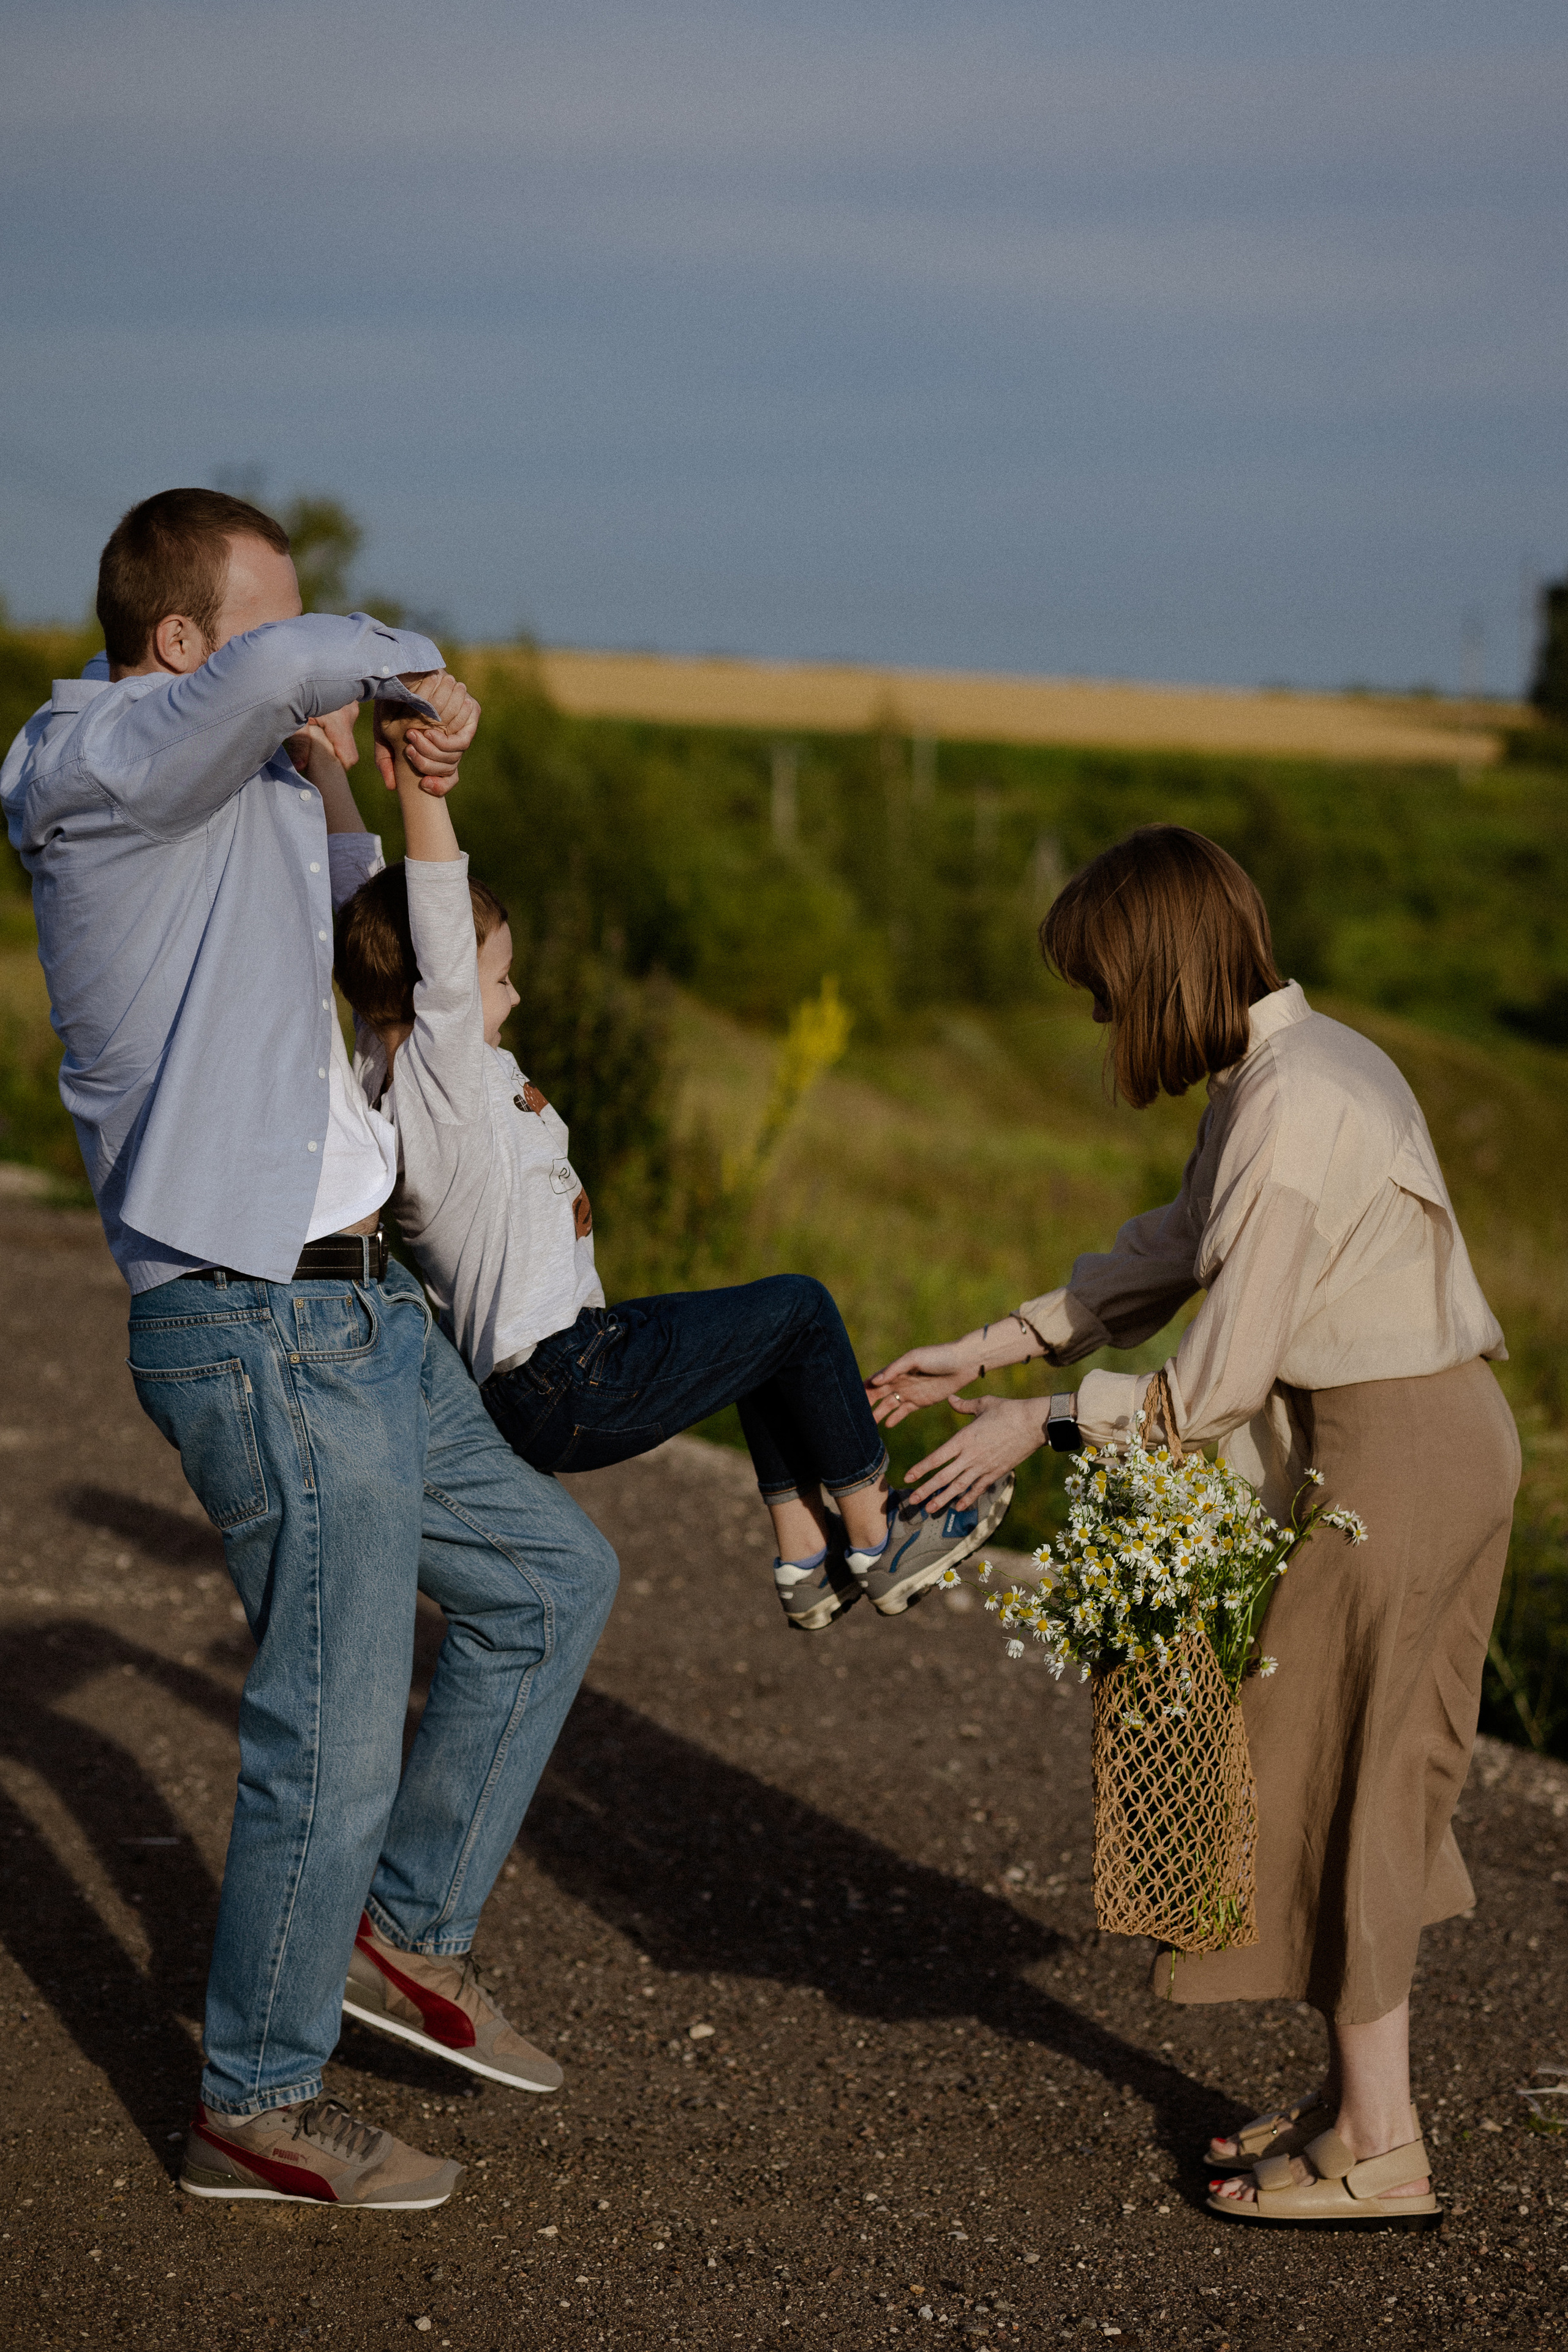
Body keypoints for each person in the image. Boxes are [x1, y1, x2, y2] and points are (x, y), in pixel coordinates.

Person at [2, 489, 619, 2211]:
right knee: (331, 1724)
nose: (308, 693)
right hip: (254, 1318)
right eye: (272, 642)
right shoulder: (96, 767)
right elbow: (297, 661)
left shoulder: (261, 786)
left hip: (365, 1315)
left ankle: (397, 1936)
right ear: (186, 644)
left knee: (550, 1583)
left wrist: (388, 775)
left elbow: (381, 952)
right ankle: (254, 2109)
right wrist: (414, 667)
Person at [867, 823, 1518, 2228]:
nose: (1100, 1019)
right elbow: (1168, 1248)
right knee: (1369, 1777)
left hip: (1389, 1456)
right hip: (1434, 1440)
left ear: (1155, 971)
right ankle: (1360, 2109)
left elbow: (1215, 1383)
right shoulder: (1297, 1066)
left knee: (1324, 1780)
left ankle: (1380, 2148)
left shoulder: (1286, 1113)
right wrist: (984, 1351)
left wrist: (1033, 1428)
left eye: (1102, 988)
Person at [328, 747, 1014, 1630]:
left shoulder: (379, 1056)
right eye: (497, 978)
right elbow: (428, 905)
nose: (516, 995)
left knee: (758, 1334)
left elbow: (367, 900)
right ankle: (882, 1539)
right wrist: (426, 780)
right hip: (567, 1375)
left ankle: (809, 1560)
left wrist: (321, 757)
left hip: (554, 1370)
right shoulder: (445, 1074)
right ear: (445, 984)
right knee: (801, 1309)